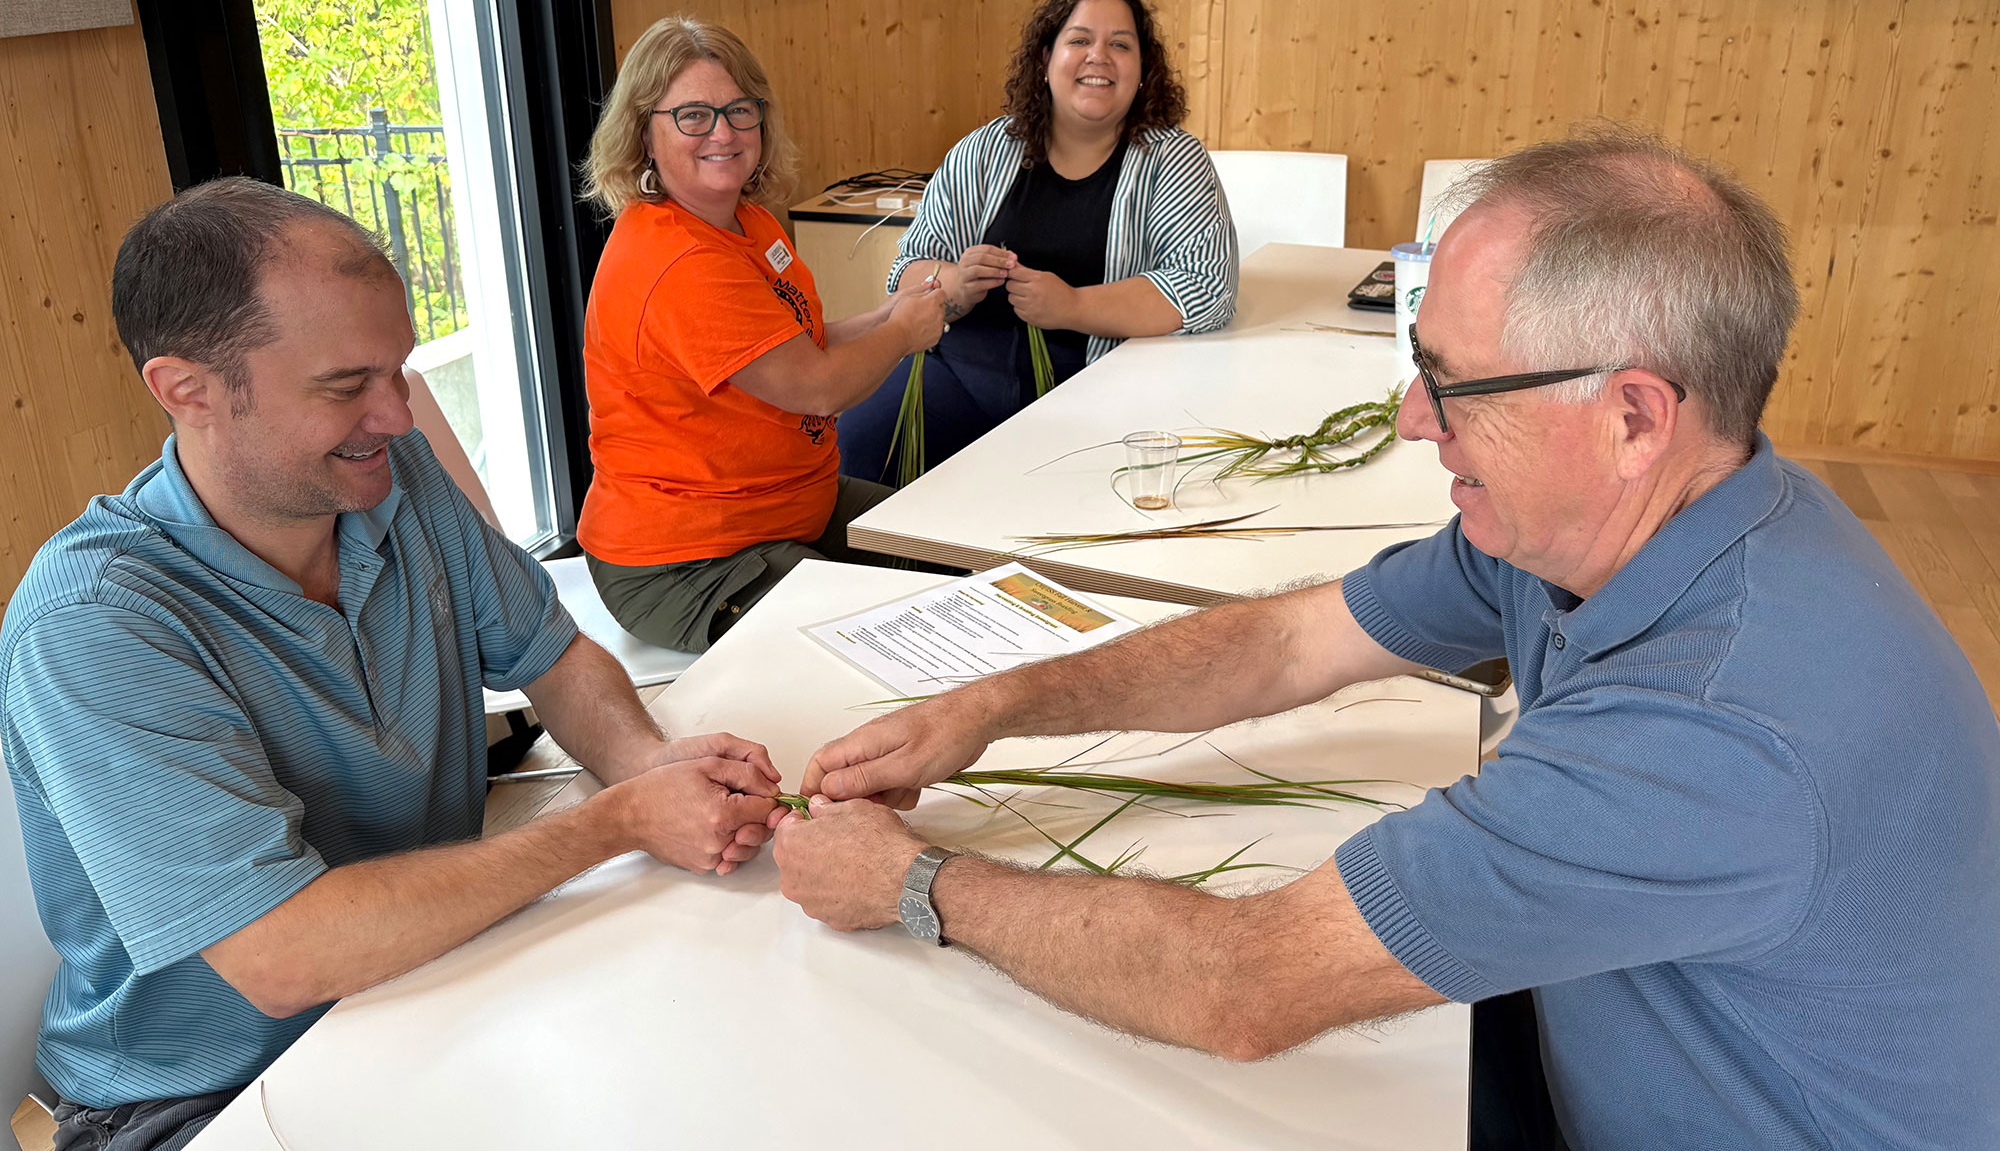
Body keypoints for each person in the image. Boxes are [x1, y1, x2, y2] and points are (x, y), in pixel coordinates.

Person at [772, 131, 2000, 1150]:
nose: (1414, 420)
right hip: (1603, 1033)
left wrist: (913, 882)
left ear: (1631, 417)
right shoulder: (1615, 520)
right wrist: (988, 707)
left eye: (1451, 382)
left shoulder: (1718, 731)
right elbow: (1291, 644)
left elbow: (1237, 986)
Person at [0, 179, 782, 1151]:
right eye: (345, 386)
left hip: (422, 980)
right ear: (188, 391)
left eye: (399, 370)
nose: (401, 416)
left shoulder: (386, 479)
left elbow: (555, 654)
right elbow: (284, 955)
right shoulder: (95, 624)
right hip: (203, 1097)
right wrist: (615, 822)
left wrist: (645, 766)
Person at [578, 16, 946, 653]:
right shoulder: (680, 261)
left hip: (785, 510)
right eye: (692, 115)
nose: (722, 132)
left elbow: (794, 343)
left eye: (738, 110)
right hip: (688, 562)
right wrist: (905, 334)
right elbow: (814, 387)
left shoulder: (745, 220)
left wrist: (892, 312)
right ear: (644, 132)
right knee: (890, 629)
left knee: (948, 547)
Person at [836, 0, 1238, 481]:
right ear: (1046, 58)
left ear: (1143, 69)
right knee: (859, 439)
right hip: (957, 376)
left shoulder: (1172, 160)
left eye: (1120, 44)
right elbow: (906, 272)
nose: (1099, 57)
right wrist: (954, 283)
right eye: (1079, 40)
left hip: (1089, 389)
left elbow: (1206, 290)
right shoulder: (983, 150)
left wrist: (1071, 306)